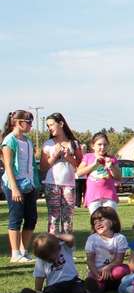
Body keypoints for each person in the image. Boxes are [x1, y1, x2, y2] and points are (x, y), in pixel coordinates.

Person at [3, 109, 41, 262]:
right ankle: (15, 254)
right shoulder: (9, 140)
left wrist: (35, 184)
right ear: (19, 123)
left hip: (29, 184)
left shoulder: (28, 141)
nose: (31, 125)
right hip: (15, 185)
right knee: (16, 217)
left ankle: (24, 251)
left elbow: (31, 165)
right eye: (29, 122)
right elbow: (8, 165)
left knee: (31, 218)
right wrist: (14, 188)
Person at [40, 112, 82, 249]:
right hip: (52, 184)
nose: (49, 128)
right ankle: (52, 249)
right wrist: (55, 155)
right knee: (54, 218)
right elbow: (43, 167)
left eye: (51, 125)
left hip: (69, 184)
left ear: (61, 124)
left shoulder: (74, 143)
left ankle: (67, 249)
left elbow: (80, 165)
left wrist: (68, 157)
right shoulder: (47, 144)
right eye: (48, 126)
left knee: (68, 219)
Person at [21, 232, 86, 293]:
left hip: (72, 281)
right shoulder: (41, 260)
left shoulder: (65, 248)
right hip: (55, 285)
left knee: (80, 288)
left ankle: (89, 291)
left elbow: (71, 238)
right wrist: (38, 291)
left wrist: (55, 236)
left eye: (49, 258)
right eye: (45, 259)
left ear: (57, 248)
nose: (48, 260)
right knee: (50, 292)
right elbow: (39, 277)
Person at [84, 206, 130, 293]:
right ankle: (96, 289)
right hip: (97, 270)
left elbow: (119, 260)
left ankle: (117, 285)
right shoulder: (92, 239)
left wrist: (108, 267)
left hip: (113, 269)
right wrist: (96, 273)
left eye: (101, 220)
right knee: (92, 277)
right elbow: (90, 260)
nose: (98, 223)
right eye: (95, 222)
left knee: (121, 271)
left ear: (113, 221)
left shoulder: (120, 238)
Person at [77, 132, 120, 213]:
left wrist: (111, 167)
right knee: (96, 219)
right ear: (93, 146)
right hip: (93, 196)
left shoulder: (112, 158)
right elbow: (79, 173)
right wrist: (93, 165)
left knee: (109, 219)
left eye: (105, 145)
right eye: (99, 144)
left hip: (109, 196)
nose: (102, 147)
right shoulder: (88, 157)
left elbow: (118, 177)